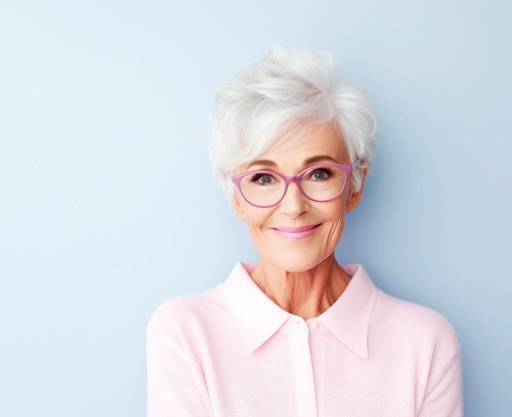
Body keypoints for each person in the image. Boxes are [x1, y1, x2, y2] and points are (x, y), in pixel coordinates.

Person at [145, 45, 463, 417]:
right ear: (237, 199)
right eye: (263, 177)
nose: (293, 206)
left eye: (319, 173)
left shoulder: (425, 343)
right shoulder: (185, 333)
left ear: (355, 186)